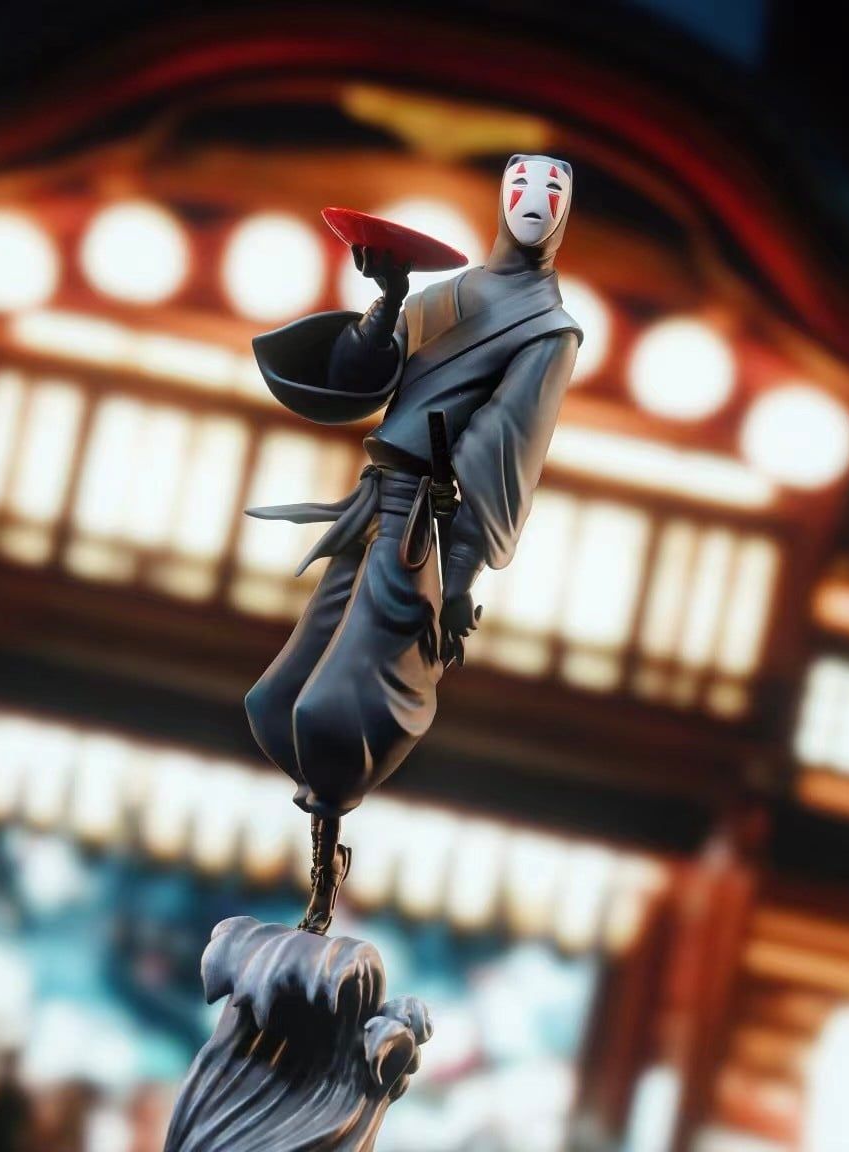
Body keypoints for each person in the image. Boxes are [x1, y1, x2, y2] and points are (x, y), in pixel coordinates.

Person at [245, 154, 583, 933]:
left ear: (565, 212)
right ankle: (322, 852)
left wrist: (458, 576)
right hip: (377, 498)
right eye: (523, 187)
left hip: (427, 524)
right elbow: (361, 373)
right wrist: (389, 299)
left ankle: (322, 887)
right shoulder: (448, 294)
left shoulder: (550, 331)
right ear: (502, 198)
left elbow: (506, 448)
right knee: (276, 701)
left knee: (335, 709)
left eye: (552, 192)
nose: (535, 202)